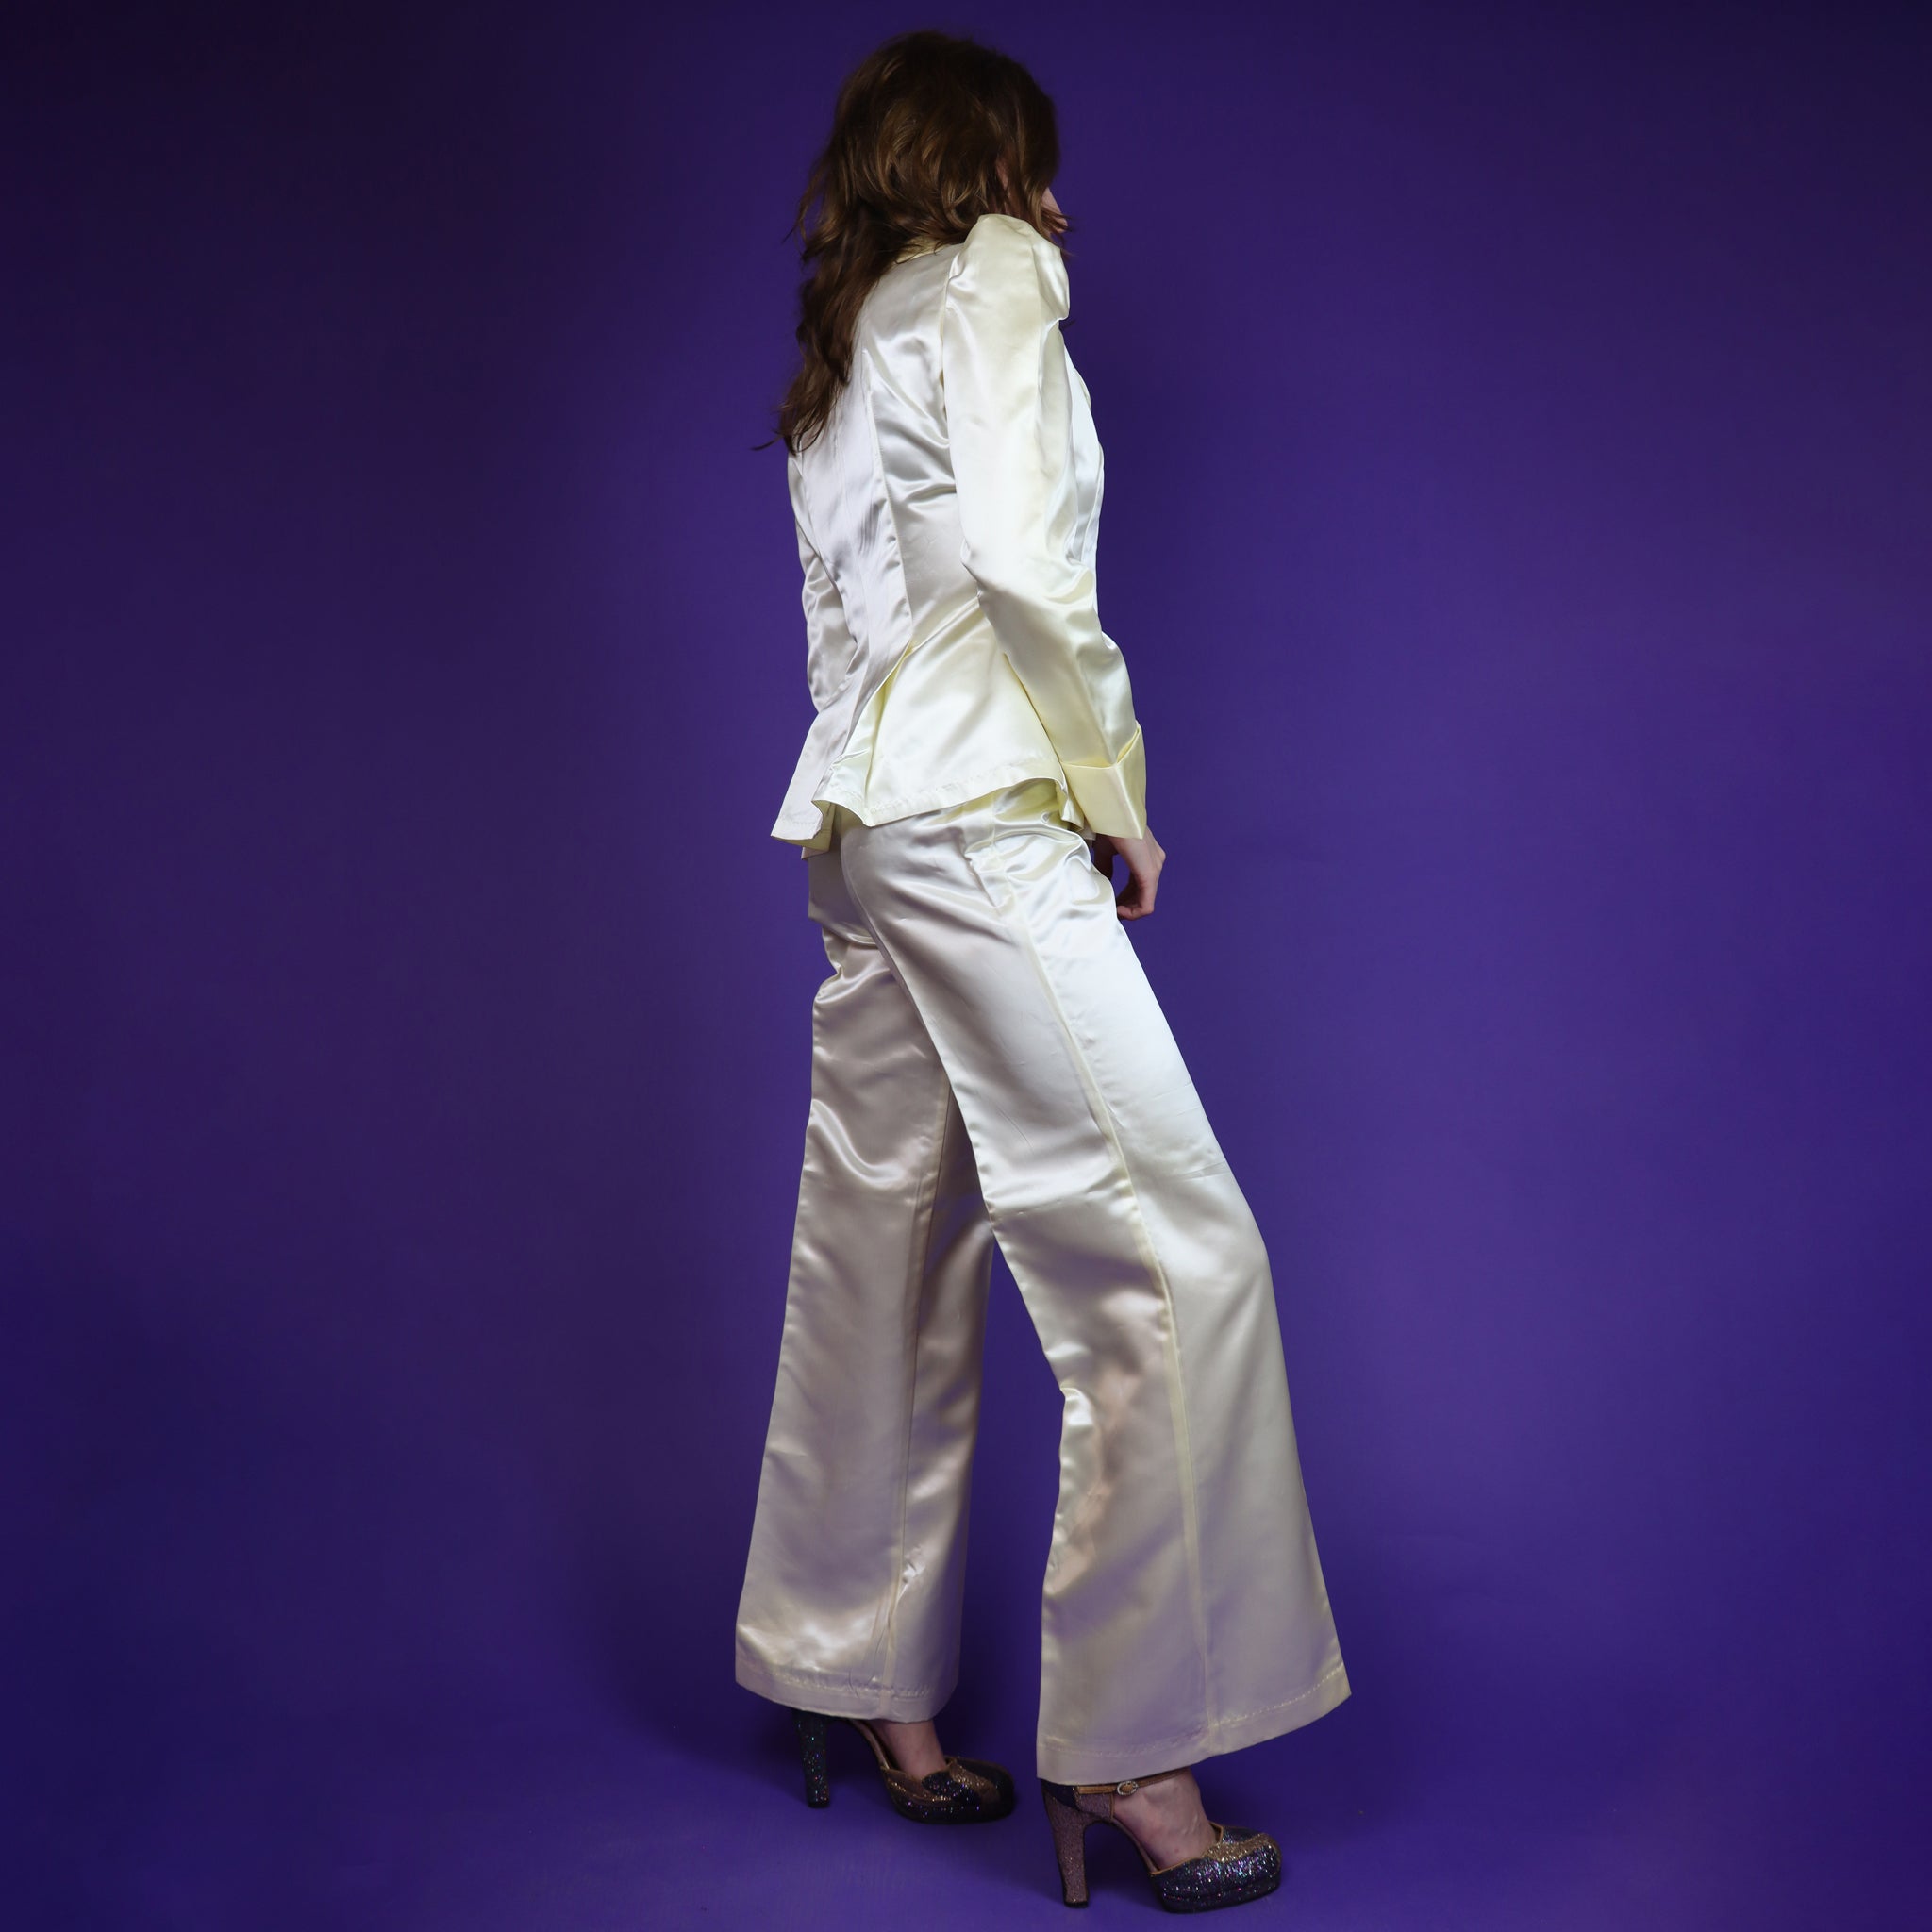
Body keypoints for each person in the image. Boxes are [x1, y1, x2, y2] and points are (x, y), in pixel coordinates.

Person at [733, 29, 1349, 1914]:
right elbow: (1020, 559)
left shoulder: (839, 357)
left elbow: (839, 629)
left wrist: (892, 809)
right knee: (1172, 1262)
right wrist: (1111, 791)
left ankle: (859, 1678)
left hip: (863, 824)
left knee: (885, 1248)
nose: (1056, 197)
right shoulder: (992, 273)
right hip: (980, 811)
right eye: (1038, 161)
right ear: (990, 160)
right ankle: (1133, 1745)